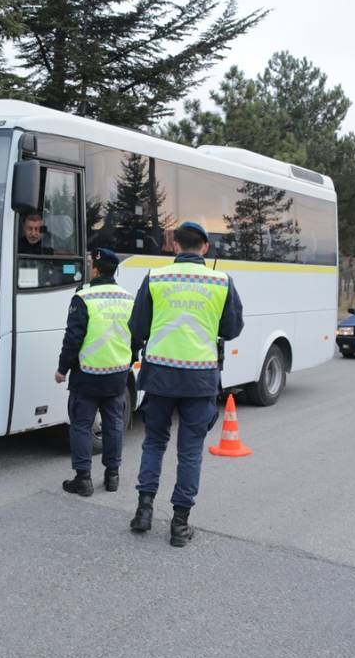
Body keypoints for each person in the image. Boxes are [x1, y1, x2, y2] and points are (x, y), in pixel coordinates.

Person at [127, 221, 244, 547]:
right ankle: (179, 526)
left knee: (154, 443)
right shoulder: (222, 282)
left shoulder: (156, 277)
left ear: (174, 245)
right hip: (200, 379)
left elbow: (137, 325)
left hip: (160, 376)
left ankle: (144, 512)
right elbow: (232, 329)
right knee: (190, 452)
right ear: (205, 247)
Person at [54, 248, 133, 496]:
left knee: (81, 425)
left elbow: (73, 338)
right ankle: (112, 477)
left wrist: (62, 368)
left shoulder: (84, 297)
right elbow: (138, 335)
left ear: (96, 269)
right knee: (114, 425)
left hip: (87, 375)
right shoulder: (129, 298)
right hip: (117, 374)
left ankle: (83, 479)